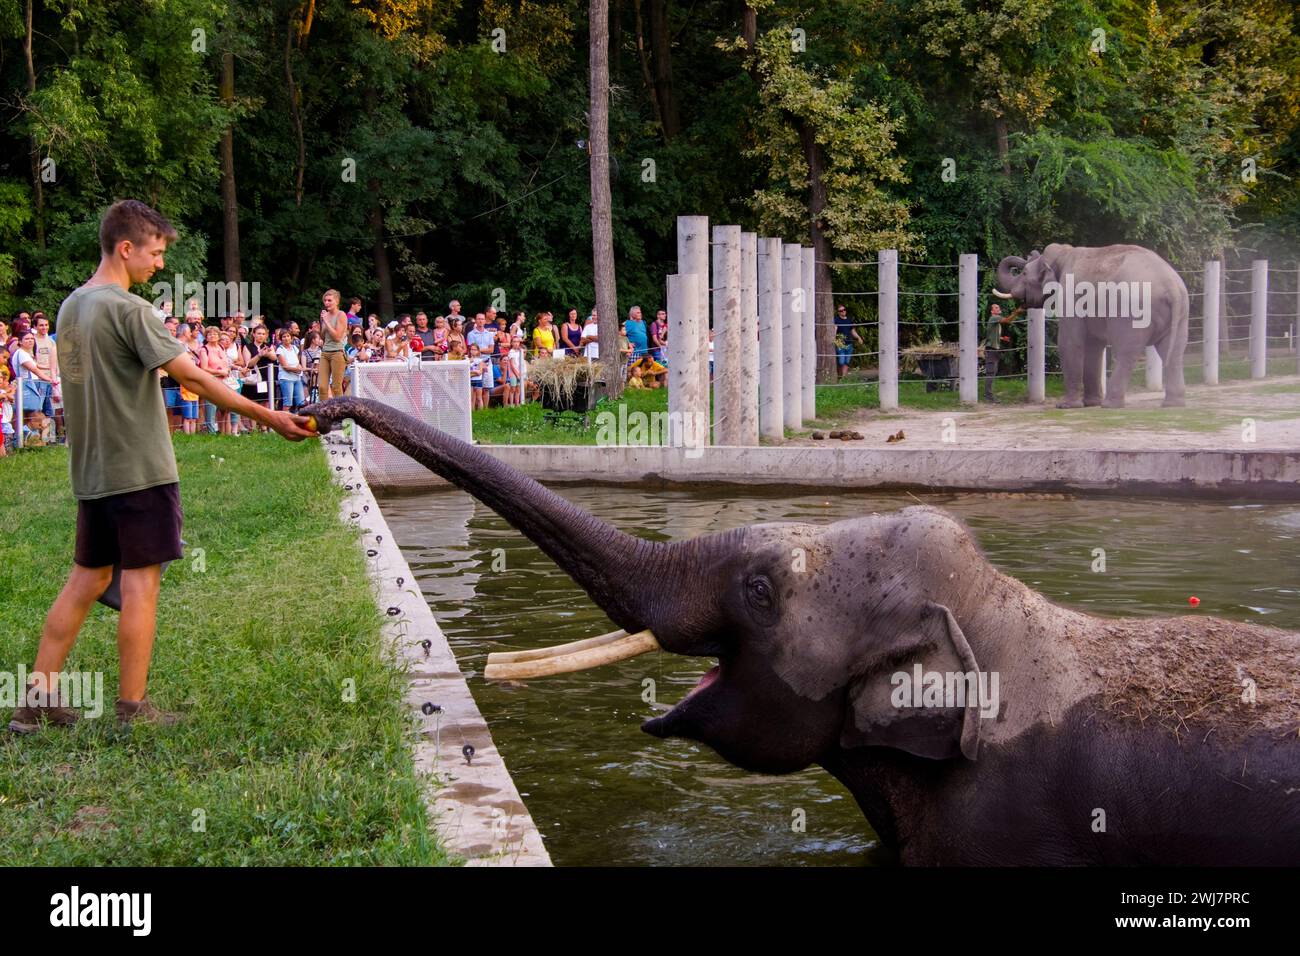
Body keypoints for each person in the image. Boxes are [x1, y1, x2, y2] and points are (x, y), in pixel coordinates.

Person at [9, 199, 313, 734]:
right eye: (155, 253)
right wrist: (269, 416)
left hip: (92, 470)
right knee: (140, 585)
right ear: (126, 248)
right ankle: (133, 709)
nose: (159, 265)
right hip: (140, 469)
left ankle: (34, 702)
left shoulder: (70, 308)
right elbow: (192, 379)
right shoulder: (131, 310)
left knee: (86, 579)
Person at [984, 302, 1023, 402]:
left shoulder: (994, 320)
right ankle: (989, 396)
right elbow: (1007, 320)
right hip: (991, 350)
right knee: (991, 372)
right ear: (992, 311)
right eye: (996, 308)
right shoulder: (994, 318)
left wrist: (1001, 338)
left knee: (993, 372)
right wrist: (1016, 313)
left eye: (998, 307)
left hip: (994, 349)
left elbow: (991, 334)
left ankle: (989, 395)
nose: (998, 308)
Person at [276, 328, 306, 412]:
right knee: (287, 403)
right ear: (281, 339)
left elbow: (297, 361)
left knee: (301, 403)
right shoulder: (280, 350)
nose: (286, 338)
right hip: (286, 378)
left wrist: (300, 367)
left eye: (288, 336)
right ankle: (283, 422)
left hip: (297, 378)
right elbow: (285, 366)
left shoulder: (294, 348)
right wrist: (298, 370)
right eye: (284, 337)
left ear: (291, 337)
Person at [834, 304, 864, 380]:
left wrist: (858, 338)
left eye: (844, 310)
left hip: (849, 343)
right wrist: (834, 339)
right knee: (841, 362)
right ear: (838, 312)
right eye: (841, 311)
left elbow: (852, 331)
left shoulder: (849, 320)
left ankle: (843, 379)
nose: (843, 311)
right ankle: (839, 376)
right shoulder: (836, 320)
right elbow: (834, 330)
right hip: (840, 343)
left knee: (846, 362)